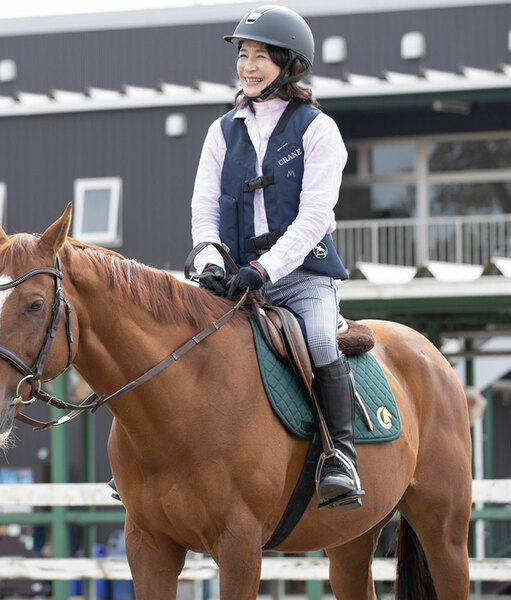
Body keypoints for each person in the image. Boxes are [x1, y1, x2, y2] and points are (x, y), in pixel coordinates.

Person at [190, 5, 364, 510]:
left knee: (316, 339)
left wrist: (264, 268)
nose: (247, 66)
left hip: (305, 275)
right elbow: (204, 206)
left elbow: (315, 216)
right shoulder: (221, 130)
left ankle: (341, 457)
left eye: (261, 57)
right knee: (183, 334)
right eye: (243, 55)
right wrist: (210, 263)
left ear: (289, 64)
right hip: (237, 275)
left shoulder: (318, 129)